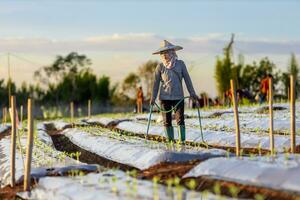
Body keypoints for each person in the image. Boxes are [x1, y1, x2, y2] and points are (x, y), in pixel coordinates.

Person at [150, 40, 199, 143]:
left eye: (166, 52)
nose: (164, 55)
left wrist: (192, 93)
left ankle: (182, 142)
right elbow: (155, 84)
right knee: (167, 121)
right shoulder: (160, 67)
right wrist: (152, 98)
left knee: (180, 120)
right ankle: (170, 142)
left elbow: (187, 79)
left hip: (178, 97)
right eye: (162, 53)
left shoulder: (180, 64)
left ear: (172, 52)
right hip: (164, 98)